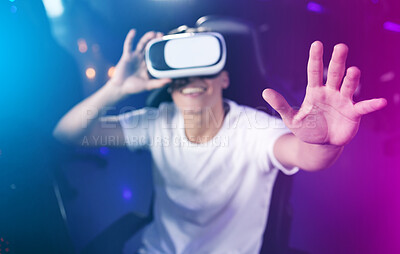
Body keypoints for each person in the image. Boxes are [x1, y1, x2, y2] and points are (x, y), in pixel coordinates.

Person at [53, 28, 387, 253]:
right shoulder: (156, 123)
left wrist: (326, 143)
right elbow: (66, 136)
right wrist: (116, 89)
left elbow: (304, 155)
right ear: (170, 86)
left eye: (205, 71)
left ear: (224, 77)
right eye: (182, 75)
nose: (193, 81)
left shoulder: (252, 128)